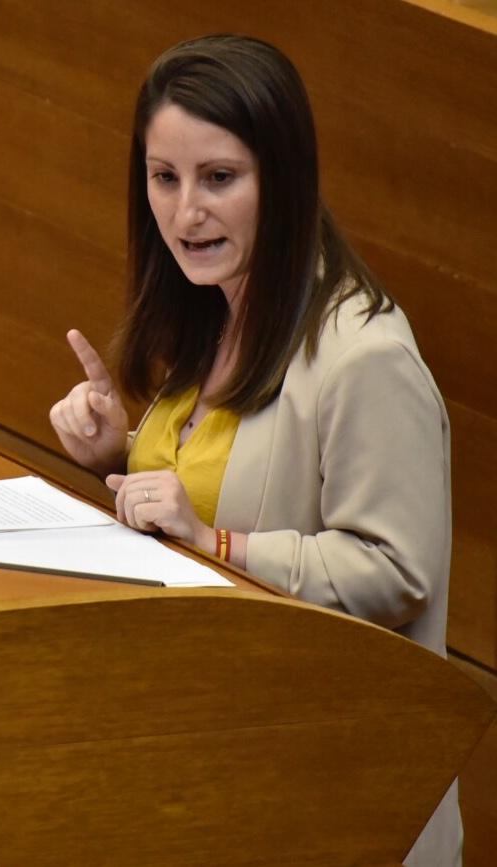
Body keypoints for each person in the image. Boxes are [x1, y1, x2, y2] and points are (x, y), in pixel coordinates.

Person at [49, 35, 456, 866]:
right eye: (164, 178)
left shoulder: (363, 356)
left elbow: (395, 570)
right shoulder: (214, 310)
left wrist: (214, 545)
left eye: (218, 179)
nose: (184, 211)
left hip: (333, 800)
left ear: (285, 178)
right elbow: (230, 480)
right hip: (213, 760)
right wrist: (114, 455)